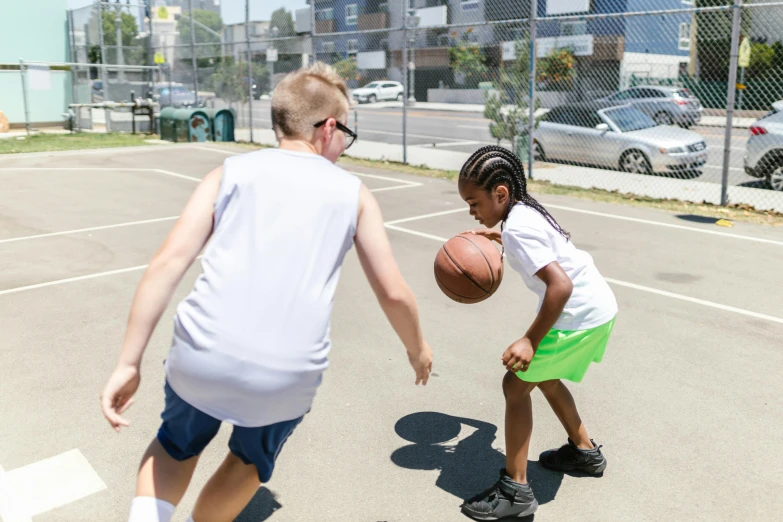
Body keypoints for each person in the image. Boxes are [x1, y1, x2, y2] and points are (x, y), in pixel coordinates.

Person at [99, 63, 433, 522]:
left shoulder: (229, 172)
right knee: (248, 460)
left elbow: (167, 263)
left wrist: (127, 363)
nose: (344, 145)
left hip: (203, 351)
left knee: (175, 446)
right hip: (287, 372)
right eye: (346, 134)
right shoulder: (354, 193)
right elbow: (393, 292)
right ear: (328, 128)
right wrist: (417, 350)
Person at [457, 146, 617, 520]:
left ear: (500, 194)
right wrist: (499, 238)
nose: (471, 211)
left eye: (474, 202)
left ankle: (516, 491)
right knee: (545, 379)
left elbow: (559, 286)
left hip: (576, 315)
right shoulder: (524, 212)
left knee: (515, 386)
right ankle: (584, 452)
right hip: (599, 309)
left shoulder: (517, 229)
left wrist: (529, 339)